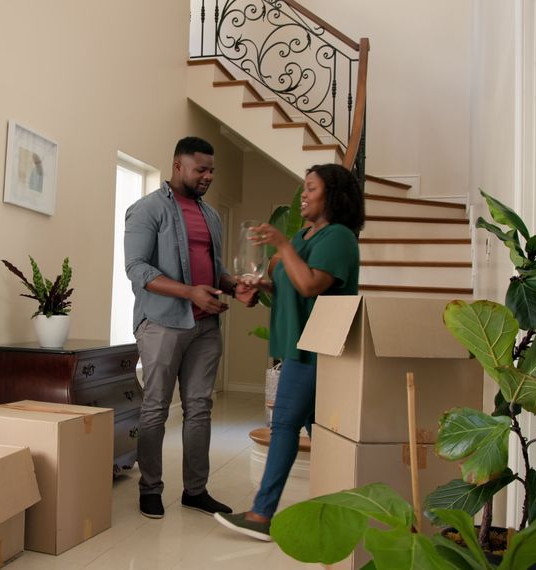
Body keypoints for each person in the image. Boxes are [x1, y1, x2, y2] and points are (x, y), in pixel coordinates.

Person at [214, 163, 364, 540]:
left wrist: (281, 246)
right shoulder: (303, 236)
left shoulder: (340, 237)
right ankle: (351, 512)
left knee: (283, 425)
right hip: (296, 344)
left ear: (333, 195)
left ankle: (261, 516)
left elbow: (312, 284)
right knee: (326, 435)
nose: (304, 196)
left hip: (316, 348)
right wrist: (261, 286)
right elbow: (291, 284)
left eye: (311, 188)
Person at [124, 136, 251, 519]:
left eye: (212, 170)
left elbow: (215, 270)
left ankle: (195, 491)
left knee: (199, 408)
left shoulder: (211, 216)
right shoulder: (145, 210)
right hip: (162, 323)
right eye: (201, 169)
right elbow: (137, 270)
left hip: (205, 326)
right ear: (178, 166)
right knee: (156, 408)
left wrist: (235, 285)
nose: (208, 176)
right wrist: (189, 293)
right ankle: (150, 488)